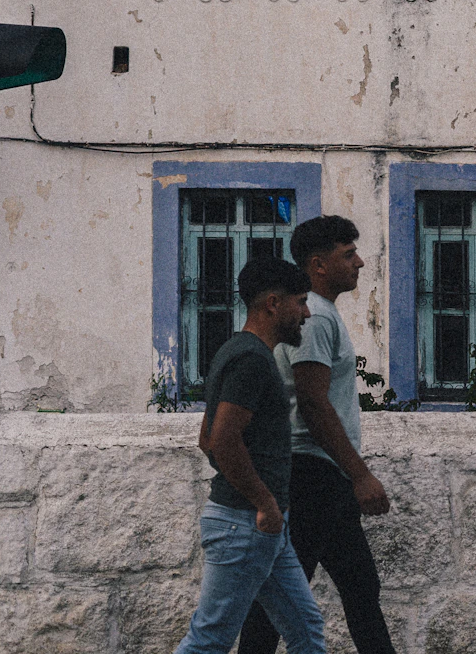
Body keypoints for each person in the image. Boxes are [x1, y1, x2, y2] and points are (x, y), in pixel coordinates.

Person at [239, 215, 397, 654]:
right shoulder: (316, 319)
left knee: (360, 586)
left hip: (322, 473)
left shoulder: (319, 315)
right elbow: (313, 403)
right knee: (282, 593)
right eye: (348, 254)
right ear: (318, 264)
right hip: (310, 473)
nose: (360, 263)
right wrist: (361, 475)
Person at [175, 256, 326, 654]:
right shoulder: (252, 361)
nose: (306, 313)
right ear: (273, 304)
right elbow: (222, 440)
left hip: (259, 525)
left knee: (307, 629)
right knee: (209, 641)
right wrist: (262, 502)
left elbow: (206, 439)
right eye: (301, 301)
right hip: (245, 524)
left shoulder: (235, 351)